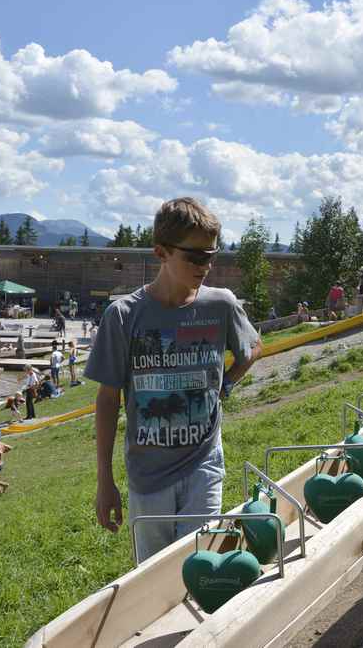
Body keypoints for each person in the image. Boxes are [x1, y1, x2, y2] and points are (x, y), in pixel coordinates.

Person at [86, 196, 262, 561]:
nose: (205, 266)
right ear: (161, 252)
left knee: (200, 564)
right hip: (148, 475)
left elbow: (253, 347)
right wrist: (105, 480)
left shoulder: (221, 305)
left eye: (212, 256)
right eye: (195, 257)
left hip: (204, 462)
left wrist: (226, 383)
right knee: (153, 578)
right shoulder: (123, 316)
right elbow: (107, 399)